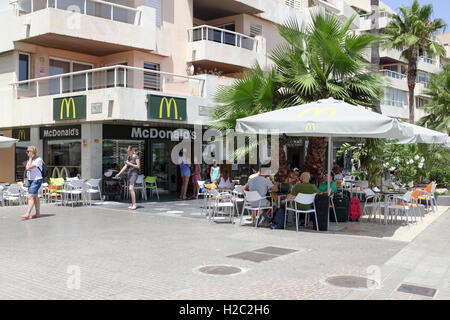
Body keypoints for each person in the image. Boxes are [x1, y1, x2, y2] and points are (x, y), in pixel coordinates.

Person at [21, 146, 43, 220]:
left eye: (28, 151)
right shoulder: (29, 160)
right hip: (31, 180)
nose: (27, 153)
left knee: (30, 196)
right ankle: (37, 213)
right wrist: (30, 159)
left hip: (36, 180)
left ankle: (27, 214)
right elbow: (27, 168)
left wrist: (30, 158)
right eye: (27, 151)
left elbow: (29, 167)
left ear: (33, 152)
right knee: (35, 197)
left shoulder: (38, 160)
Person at [115, 146, 140, 210]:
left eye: (129, 151)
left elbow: (138, 166)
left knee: (131, 188)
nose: (128, 153)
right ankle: (133, 204)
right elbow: (125, 166)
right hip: (129, 174)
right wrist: (119, 173)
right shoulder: (128, 157)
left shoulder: (136, 157)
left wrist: (130, 164)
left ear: (132, 151)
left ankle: (134, 205)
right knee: (131, 189)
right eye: (127, 152)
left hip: (134, 174)